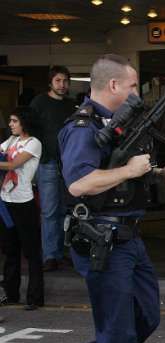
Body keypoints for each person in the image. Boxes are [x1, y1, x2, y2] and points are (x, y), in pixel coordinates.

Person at [51, 54, 165, 343]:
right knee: (119, 332)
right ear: (112, 87)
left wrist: (158, 171)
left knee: (146, 316)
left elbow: (117, 172)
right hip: (103, 240)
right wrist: (129, 170)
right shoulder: (82, 127)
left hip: (129, 238)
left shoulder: (115, 125)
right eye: (130, 86)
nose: (133, 93)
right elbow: (79, 185)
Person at [30, 65, 76, 272]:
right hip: (46, 162)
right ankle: (50, 255)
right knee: (49, 211)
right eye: (58, 80)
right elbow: (29, 131)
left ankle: (62, 253)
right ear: (50, 82)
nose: (63, 85)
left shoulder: (71, 104)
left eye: (65, 81)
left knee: (66, 211)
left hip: (68, 164)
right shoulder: (39, 102)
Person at [0, 107, 44, 310]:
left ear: (24, 123)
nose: (10, 124)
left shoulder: (33, 143)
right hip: (6, 201)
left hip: (24, 202)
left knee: (31, 251)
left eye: (14, 121)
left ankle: (35, 298)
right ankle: (11, 294)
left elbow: (13, 165)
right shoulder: (11, 141)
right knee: (10, 250)